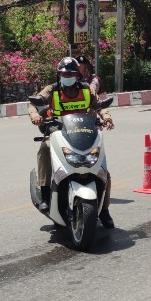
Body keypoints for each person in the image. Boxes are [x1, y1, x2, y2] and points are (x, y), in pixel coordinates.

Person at [28, 56, 116, 228]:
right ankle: (45, 194)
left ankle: (104, 210)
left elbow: (100, 105)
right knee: (44, 149)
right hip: (58, 132)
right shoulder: (52, 90)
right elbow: (33, 103)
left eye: (70, 73)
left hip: (85, 133)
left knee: (103, 171)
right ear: (59, 74)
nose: (66, 76)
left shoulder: (86, 90)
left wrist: (106, 118)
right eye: (63, 73)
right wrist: (35, 115)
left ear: (77, 75)